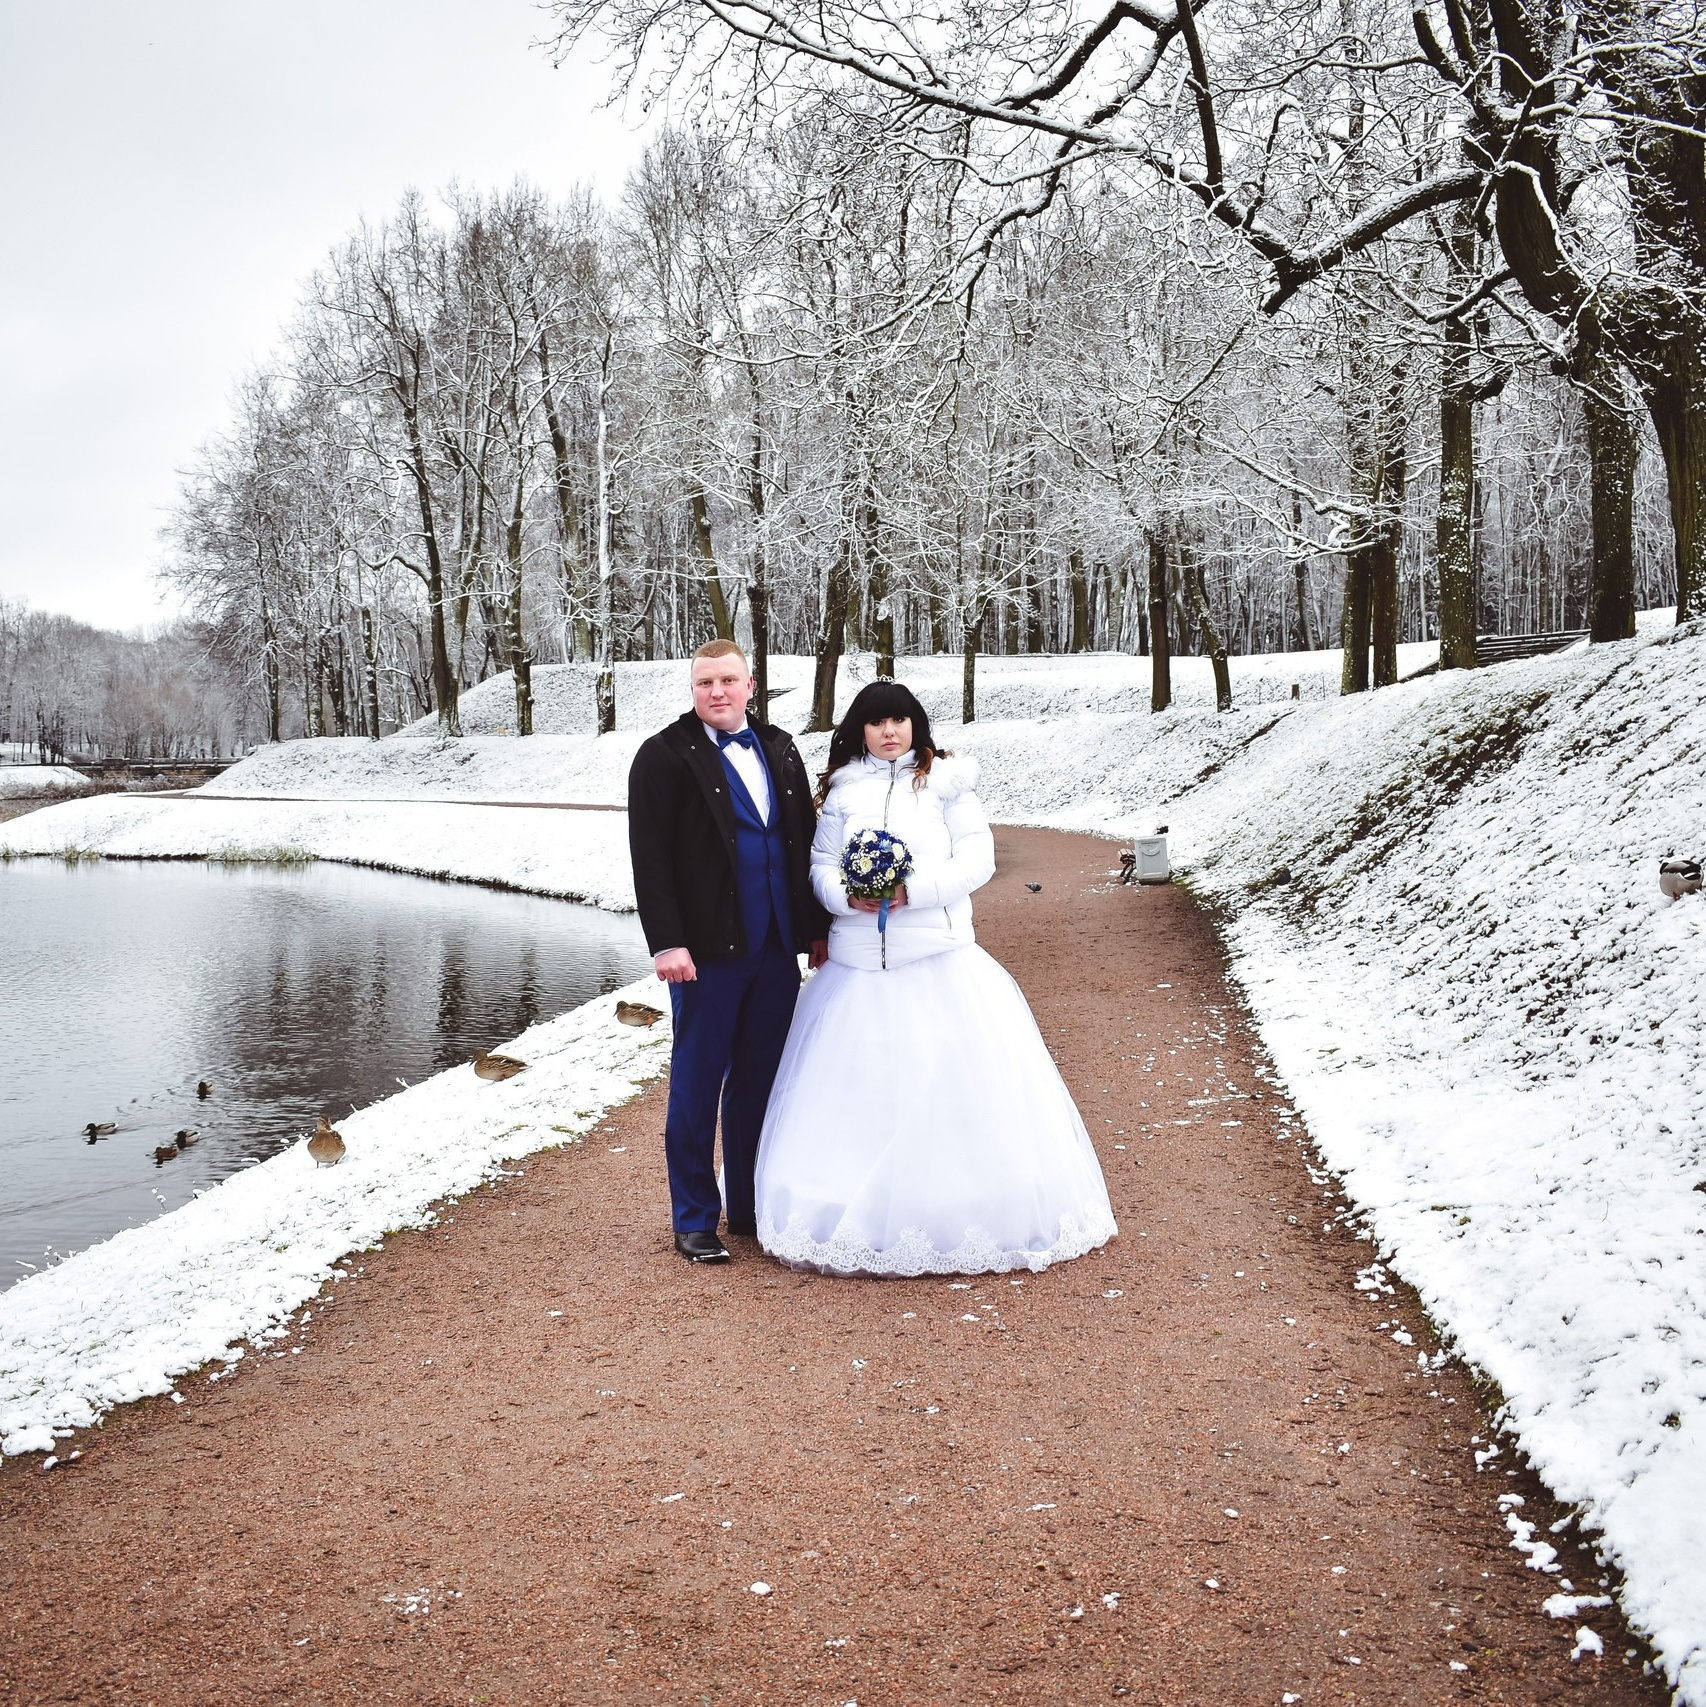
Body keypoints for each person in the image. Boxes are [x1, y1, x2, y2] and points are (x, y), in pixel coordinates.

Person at [753, 680, 1117, 1276]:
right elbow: (817, 865)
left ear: (917, 726)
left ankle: (958, 1208)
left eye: (899, 721)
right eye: (876, 723)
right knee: (856, 1096)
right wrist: (847, 897)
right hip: (855, 967)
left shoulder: (948, 784)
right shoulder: (843, 790)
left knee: (948, 1090)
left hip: (938, 958)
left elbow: (978, 860)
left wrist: (908, 891)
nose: (889, 732)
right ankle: (844, 1211)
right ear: (859, 731)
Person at [628, 641, 829, 1263]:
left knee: (758, 1082)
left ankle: (746, 1206)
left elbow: (803, 843)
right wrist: (666, 940)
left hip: (773, 947)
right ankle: (693, 1217)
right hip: (706, 951)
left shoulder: (779, 747)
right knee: (696, 1081)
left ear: (750, 684)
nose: (716, 692)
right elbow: (650, 855)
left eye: (727, 681)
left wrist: (814, 929)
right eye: (704, 682)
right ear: (693, 689)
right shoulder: (662, 756)